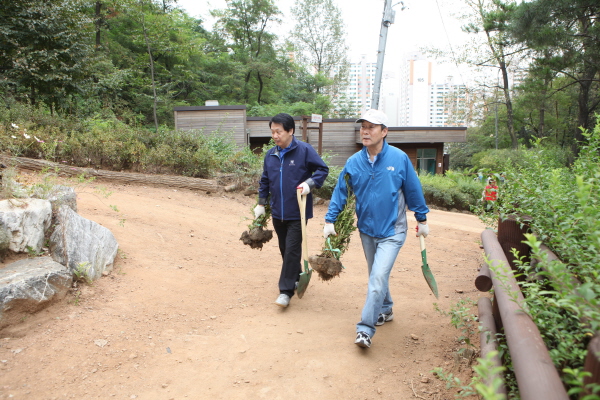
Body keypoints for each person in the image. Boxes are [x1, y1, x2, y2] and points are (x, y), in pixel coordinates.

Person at [323, 109, 429, 349]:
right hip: (367, 231)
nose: (366, 131)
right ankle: (386, 309)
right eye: (363, 127)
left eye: (372, 127)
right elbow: (341, 192)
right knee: (377, 276)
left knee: (378, 277)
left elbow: (413, 190)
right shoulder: (354, 162)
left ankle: (365, 329)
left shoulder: (399, 158)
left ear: (384, 131)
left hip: (393, 231)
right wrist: (330, 220)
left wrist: (422, 220)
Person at [254, 113, 329, 308]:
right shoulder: (270, 155)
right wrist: (261, 204)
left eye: (279, 131)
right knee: (285, 249)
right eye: (272, 132)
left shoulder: (304, 150)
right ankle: (295, 276)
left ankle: (285, 291)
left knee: (292, 248)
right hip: (278, 212)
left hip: (298, 211)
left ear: (290, 131)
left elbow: (322, 170)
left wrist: (309, 183)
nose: (275, 136)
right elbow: (265, 180)